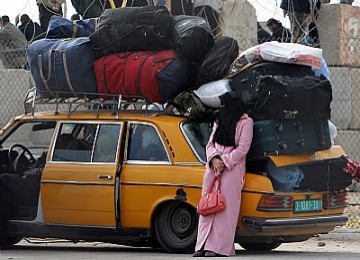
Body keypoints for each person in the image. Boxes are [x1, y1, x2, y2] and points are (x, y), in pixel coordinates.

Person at [194, 93, 253, 257]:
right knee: (207, 206)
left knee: (225, 211)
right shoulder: (219, 121)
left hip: (232, 170)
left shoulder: (246, 122)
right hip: (213, 169)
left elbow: (242, 148)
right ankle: (202, 245)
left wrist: (224, 162)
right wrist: (214, 160)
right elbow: (210, 144)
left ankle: (219, 248)